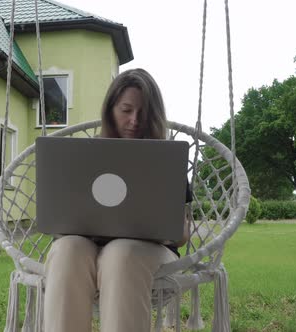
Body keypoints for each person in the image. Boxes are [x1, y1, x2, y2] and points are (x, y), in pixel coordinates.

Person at [43, 68, 193, 332]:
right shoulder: (83, 159)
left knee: (121, 254)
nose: (135, 120)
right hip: (87, 249)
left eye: (143, 112)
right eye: (126, 110)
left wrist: (163, 231)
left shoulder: (165, 160)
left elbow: (181, 234)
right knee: (67, 250)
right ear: (110, 110)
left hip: (147, 254)